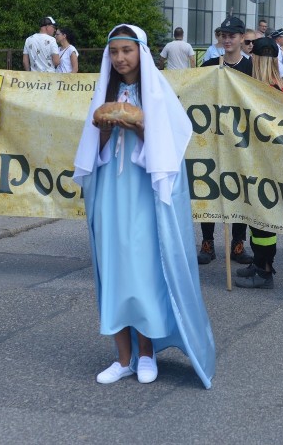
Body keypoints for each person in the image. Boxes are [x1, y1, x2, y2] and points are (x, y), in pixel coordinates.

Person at [72, 23, 216, 386]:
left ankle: (147, 352)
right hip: (109, 191)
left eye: (127, 51)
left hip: (142, 193)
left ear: (141, 53)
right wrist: (106, 126)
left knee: (142, 270)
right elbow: (94, 150)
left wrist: (139, 128)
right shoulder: (104, 92)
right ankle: (123, 358)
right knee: (113, 268)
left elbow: (173, 143)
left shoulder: (156, 92)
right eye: (114, 52)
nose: (120, 58)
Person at [234, 37, 283, 289]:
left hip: (261, 162)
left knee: (263, 217)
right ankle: (259, 262)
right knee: (258, 215)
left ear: (255, 58)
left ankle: (265, 270)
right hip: (268, 161)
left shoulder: (258, 89)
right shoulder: (281, 88)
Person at [198, 17, 252, 265]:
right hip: (213, 136)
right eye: (223, 35)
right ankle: (207, 241)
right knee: (207, 189)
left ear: (242, 38)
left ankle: (238, 243)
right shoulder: (210, 64)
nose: (227, 40)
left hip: (242, 139)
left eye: (232, 35)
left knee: (240, 191)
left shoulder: (252, 67)